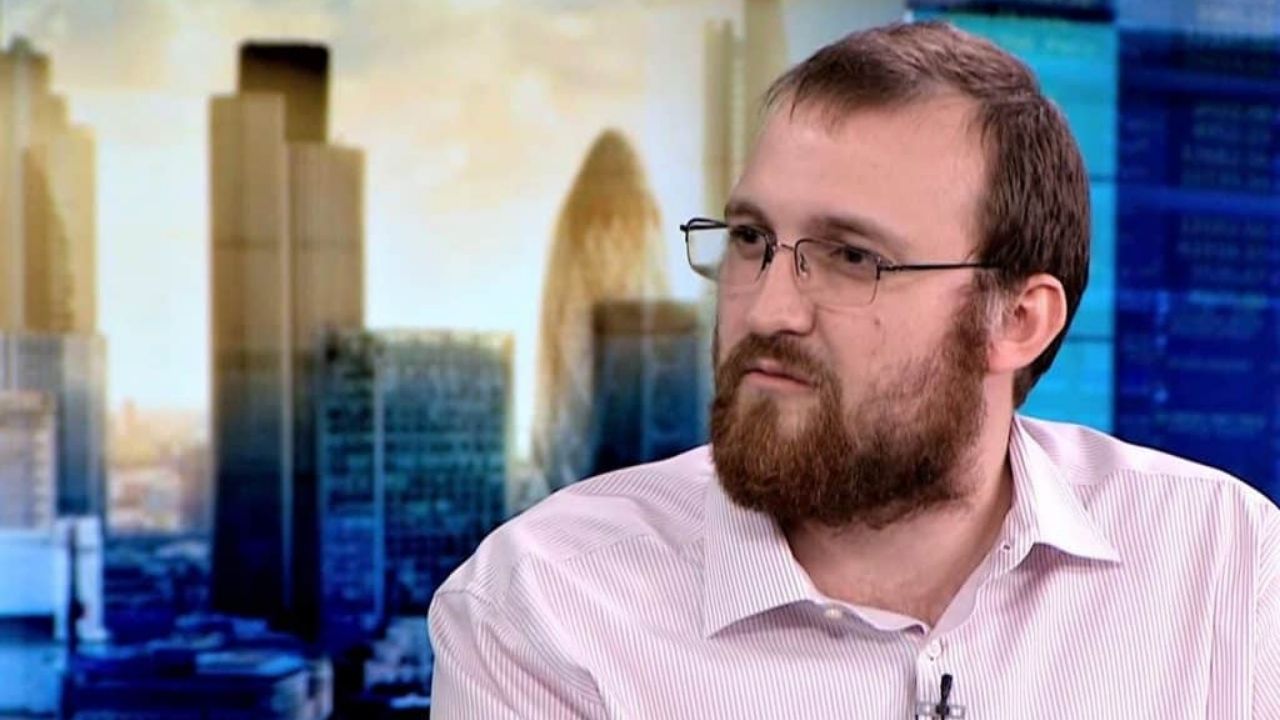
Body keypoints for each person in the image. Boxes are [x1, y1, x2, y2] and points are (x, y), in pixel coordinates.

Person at [428, 20, 1279, 718]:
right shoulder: (546, 610)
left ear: (1018, 321)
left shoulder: (1227, 569)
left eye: (851, 258)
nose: (768, 310)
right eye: (752, 240)